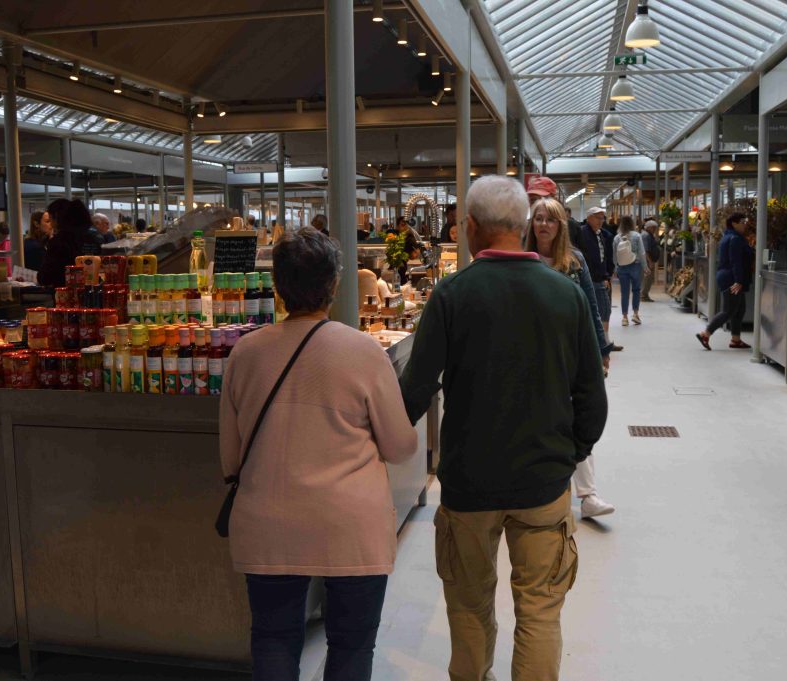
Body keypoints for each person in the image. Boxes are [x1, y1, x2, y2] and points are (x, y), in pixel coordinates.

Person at [401, 176, 608, 681]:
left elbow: (413, 392)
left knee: (469, 603)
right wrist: (567, 454)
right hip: (543, 483)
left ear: (470, 227)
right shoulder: (565, 295)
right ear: (522, 225)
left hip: (470, 484)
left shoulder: (452, 295)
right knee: (539, 608)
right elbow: (592, 400)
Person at [220, 227, 417, 681]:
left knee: (273, 639)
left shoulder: (245, 354)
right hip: (351, 526)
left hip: (268, 522)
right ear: (334, 285)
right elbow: (402, 447)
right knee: (351, 643)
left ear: (278, 287)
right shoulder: (364, 352)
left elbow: (230, 460)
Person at [527, 196, 616, 520]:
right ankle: (545, 487)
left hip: (570, 354)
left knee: (576, 417)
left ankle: (588, 495)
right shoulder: (523, 260)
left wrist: (601, 350)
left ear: (560, 225)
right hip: (532, 356)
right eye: (539, 218)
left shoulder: (574, 261)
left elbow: (591, 309)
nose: (544, 225)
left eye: (550, 219)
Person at [697, 212, 754, 350]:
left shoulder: (730, 237)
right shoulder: (734, 239)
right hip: (732, 278)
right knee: (728, 310)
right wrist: (738, 280)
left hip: (730, 277)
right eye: (742, 221)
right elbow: (736, 262)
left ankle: (736, 339)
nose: (744, 224)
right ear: (733, 224)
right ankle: (705, 333)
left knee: (740, 310)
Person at [579, 207, 621, 350]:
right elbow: (589, 259)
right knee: (601, 309)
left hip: (601, 278)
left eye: (603, 218)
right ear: (589, 217)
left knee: (604, 310)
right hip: (593, 279)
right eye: (598, 217)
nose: (601, 221)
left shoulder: (600, 234)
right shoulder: (584, 233)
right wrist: (600, 277)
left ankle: (603, 341)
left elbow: (603, 257)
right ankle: (602, 343)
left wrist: (607, 274)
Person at [38, 198, 98, 287]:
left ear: (56, 217)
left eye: (50, 220)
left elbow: (45, 278)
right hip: (94, 290)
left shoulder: (59, 242)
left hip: (67, 294)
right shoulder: (94, 236)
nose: (51, 225)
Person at [526, 176, 586, 252]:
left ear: (554, 199)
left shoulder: (572, 228)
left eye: (542, 199)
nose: (537, 204)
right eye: (533, 200)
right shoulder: (523, 229)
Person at [613, 216, 648, 326]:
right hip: (635, 266)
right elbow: (642, 253)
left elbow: (614, 255)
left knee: (624, 293)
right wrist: (645, 267)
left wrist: (615, 268)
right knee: (636, 290)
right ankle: (635, 314)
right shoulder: (637, 236)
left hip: (622, 267)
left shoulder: (617, 238)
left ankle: (624, 318)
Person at [395, 216, 422, 286]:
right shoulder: (394, 237)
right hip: (395, 272)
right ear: (397, 226)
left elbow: (415, 254)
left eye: (407, 225)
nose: (405, 227)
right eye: (403, 224)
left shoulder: (410, 238)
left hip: (401, 271)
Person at [640, 219, 661, 302]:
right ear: (648, 227)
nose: (654, 230)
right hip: (647, 261)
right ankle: (643, 295)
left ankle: (645, 295)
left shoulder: (649, 235)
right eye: (653, 228)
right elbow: (646, 250)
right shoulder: (646, 236)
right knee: (647, 279)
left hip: (648, 260)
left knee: (649, 279)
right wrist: (650, 261)